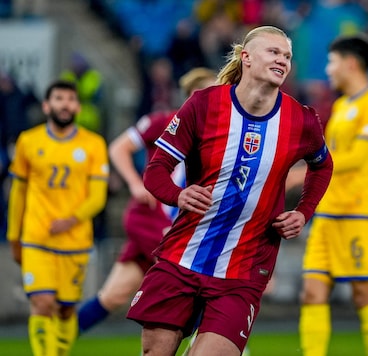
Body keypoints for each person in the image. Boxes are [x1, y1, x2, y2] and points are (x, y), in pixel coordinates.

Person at [126, 25, 333, 356]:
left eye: (287, 56)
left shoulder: (302, 120)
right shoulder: (204, 104)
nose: (282, 60)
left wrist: (303, 211)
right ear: (246, 57)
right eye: (274, 52)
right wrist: (177, 195)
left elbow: (323, 166)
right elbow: (156, 171)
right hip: (182, 257)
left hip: (243, 270)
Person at [77, 67, 217, 334]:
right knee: (192, 278)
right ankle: (220, 343)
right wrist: (134, 182)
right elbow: (118, 147)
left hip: (177, 223)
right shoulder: (162, 122)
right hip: (151, 218)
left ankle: (58, 339)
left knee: (113, 296)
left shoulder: (220, 135)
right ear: (189, 97)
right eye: (204, 94)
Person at [299, 34, 368, 356]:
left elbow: (357, 157)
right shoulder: (341, 106)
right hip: (328, 212)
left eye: (332, 62)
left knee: (364, 293)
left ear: (351, 63)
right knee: (311, 292)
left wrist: (305, 171)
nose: (328, 69)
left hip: (359, 212)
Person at [6, 80, 109, 356]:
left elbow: (98, 196)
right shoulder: (28, 141)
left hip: (75, 240)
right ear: (46, 105)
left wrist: (72, 219)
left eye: (70, 99)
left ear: (77, 106)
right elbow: (18, 192)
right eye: (59, 98)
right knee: (42, 303)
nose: (65, 104)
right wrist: (13, 235)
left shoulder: (94, 144)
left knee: (65, 310)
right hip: (36, 236)